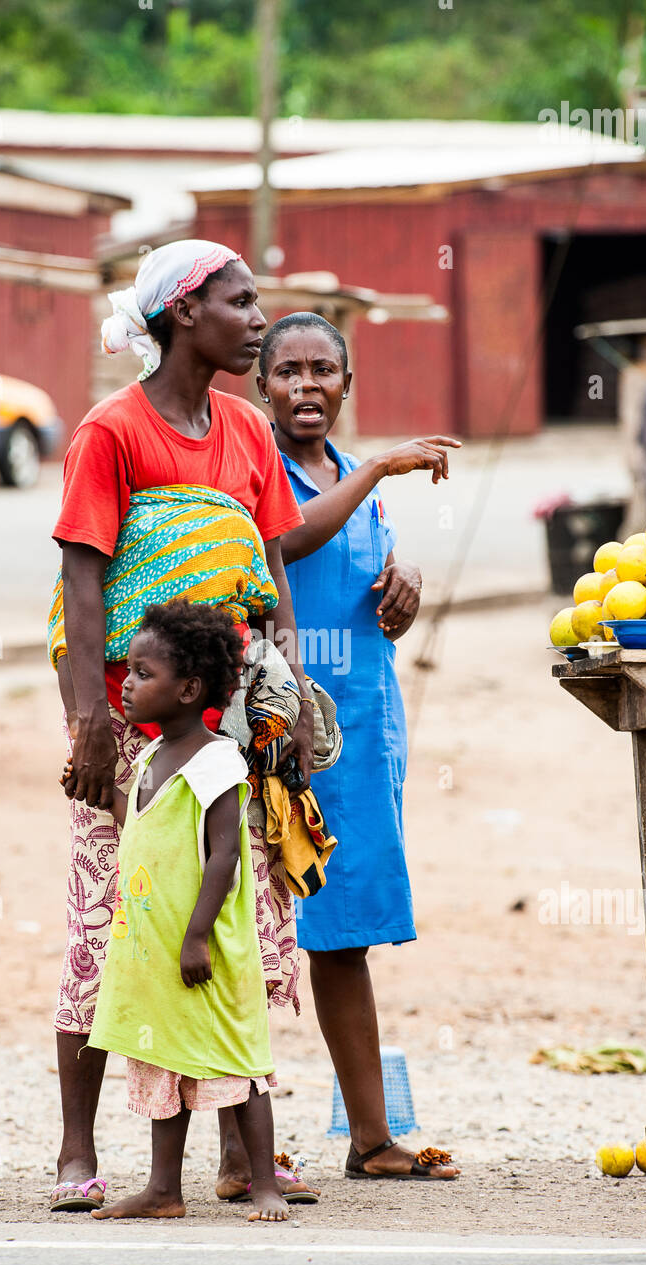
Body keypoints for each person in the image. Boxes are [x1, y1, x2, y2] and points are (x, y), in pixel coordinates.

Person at [49, 240, 318, 1212]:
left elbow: (269, 577)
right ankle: (79, 1148)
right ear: (180, 314)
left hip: (233, 729)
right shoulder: (111, 431)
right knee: (108, 920)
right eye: (241, 304)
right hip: (130, 724)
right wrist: (87, 721)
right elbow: (86, 585)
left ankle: (244, 1152)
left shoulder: (247, 432)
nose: (258, 319)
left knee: (236, 925)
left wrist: (282, 698)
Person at [256, 311, 463, 1180]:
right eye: (287, 372)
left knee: (342, 936)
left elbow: (354, 572)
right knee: (247, 931)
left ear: (348, 384)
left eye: (324, 371)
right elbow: (290, 538)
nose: (307, 386)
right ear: (259, 386)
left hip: (363, 735)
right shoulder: (250, 467)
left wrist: (404, 579)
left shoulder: (354, 479)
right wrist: (382, 462)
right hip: (278, 732)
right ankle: (243, 1147)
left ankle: (370, 1140)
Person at [71, 601, 288, 1223]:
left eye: (142, 673)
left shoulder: (217, 761)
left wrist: (197, 937)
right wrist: (94, 790)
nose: (129, 684)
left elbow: (226, 857)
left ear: (189, 689)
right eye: (129, 672)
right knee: (164, 1060)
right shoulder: (147, 755)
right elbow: (138, 819)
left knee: (238, 1065)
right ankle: (164, 1189)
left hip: (206, 945)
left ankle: (265, 1184)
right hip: (154, 941)